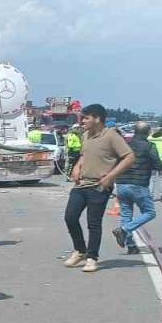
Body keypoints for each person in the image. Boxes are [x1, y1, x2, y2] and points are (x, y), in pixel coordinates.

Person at [64, 104, 136, 273]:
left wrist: (110, 176)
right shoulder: (86, 135)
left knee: (93, 223)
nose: (82, 121)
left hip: (99, 186)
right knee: (70, 217)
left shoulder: (111, 135)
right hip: (82, 184)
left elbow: (129, 157)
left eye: (86, 118)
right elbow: (84, 155)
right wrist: (76, 168)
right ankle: (80, 250)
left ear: (97, 119)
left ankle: (92, 257)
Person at [112, 123, 162, 254]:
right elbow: (158, 164)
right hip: (139, 184)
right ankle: (124, 230)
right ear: (148, 132)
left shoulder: (125, 145)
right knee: (150, 212)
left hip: (122, 183)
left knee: (126, 213)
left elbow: (116, 162)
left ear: (134, 131)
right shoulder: (149, 146)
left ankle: (131, 245)